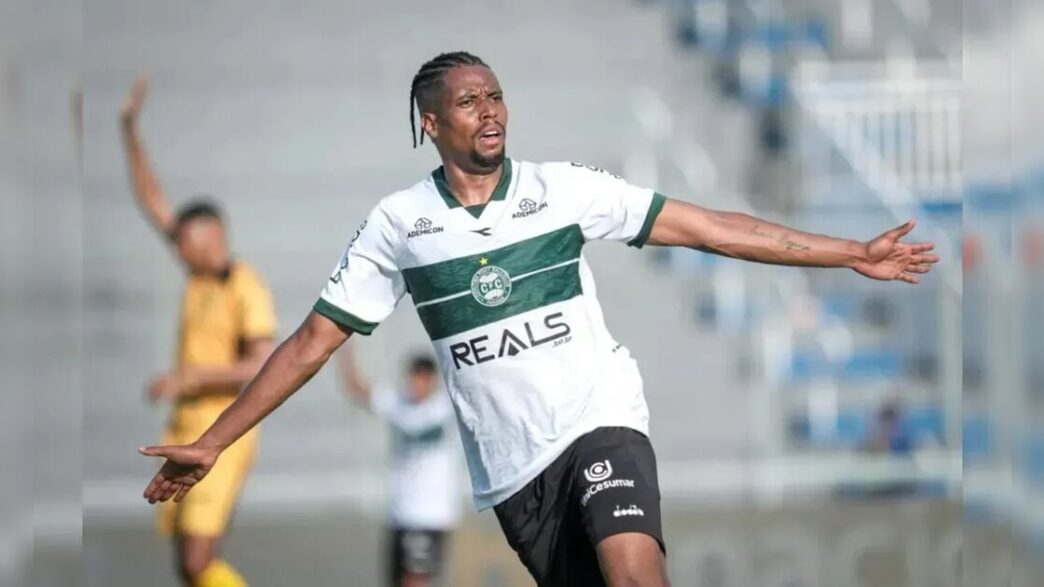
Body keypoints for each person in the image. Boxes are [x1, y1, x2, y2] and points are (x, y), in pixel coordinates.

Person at [138, 52, 940, 587]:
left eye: (495, 95)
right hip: (516, 474)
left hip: (600, 420)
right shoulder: (398, 225)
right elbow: (312, 343)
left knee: (635, 572)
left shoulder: (562, 190)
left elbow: (708, 227)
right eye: (467, 100)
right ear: (430, 123)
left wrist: (849, 252)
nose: (489, 110)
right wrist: (213, 440)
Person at [121, 76, 277, 587]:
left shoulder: (244, 285)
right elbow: (152, 199)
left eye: (186, 244)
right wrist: (128, 129)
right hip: (183, 425)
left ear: (213, 238)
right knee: (186, 564)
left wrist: (190, 377)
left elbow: (261, 363)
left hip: (222, 429)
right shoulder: (198, 277)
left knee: (196, 558)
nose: (178, 252)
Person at [336, 342, 460, 587]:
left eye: (422, 378)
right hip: (400, 514)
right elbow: (358, 389)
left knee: (415, 579)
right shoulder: (397, 403)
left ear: (432, 380)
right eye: (413, 377)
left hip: (430, 514)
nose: (416, 384)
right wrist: (344, 351)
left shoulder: (446, 407)